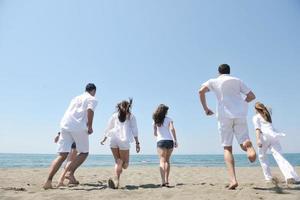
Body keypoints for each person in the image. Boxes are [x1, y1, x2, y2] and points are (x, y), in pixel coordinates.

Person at [199, 64, 256, 190]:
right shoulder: (237, 80)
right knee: (243, 141)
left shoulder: (213, 81)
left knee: (227, 148)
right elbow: (252, 96)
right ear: (229, 72)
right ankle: (249, 146)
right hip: (240, 114)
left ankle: (233, 180)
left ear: (218, 72)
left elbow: (201, 91)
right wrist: (242, 103)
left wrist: (206, 109)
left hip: (224, 116)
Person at [43, 83, 98, 189]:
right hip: (79, 127)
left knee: (62, 155)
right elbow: (90, 110)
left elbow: (69, 112)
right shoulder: (92, 99)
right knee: (84, 152)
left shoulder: (75, 98)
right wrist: (90, 126)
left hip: (65, 125)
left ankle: (48, 181)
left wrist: (59, 132)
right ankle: (69, 172)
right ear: (94, 91)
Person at [253, 102, 300, 184]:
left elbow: (257, 129)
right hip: (273, 136)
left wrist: (258, 140)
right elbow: (268, 109)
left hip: (264, 137)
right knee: (280, 157)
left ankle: (268, 178)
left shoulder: (256, 117)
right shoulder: (268, 115)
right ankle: (290, 176)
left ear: (256, 109)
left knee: (262, 157)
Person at [100, 99, 140, 189]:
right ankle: (116, 179)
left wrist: (104, 139)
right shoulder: (131, 116)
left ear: (119, 106)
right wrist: (137, 143)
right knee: (125, 165)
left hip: (113, 140)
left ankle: (116, 179)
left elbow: (108, 128)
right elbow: (135, 130)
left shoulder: (114, 116)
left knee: (119, 161)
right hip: (123, 141)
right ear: (128, 107)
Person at [152, 104, 178, 187]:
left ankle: (163, 181)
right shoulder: (169, 119)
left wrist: (158, 131)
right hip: (170, 141)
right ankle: (167, 181)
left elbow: (155, 133)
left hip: (161, 141)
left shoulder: (155, 120)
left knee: (162, 161)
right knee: (167, 161)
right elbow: (172, 129)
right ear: (165, 111)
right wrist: (175, 140)